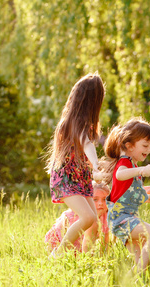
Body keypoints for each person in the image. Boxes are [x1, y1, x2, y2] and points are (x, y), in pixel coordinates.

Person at [46, 73, 106, 256]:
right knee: (87, 217)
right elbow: (86, 144)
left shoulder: (85, 124)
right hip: (66, 179)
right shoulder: (72, 123)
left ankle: (88, 258)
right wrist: (96, 165)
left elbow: (85, 151)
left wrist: (95, 169)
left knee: (93, 220)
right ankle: (57, 255)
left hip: (80, 179)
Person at [102, 118, 150, 272]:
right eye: (145, 145)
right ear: (129, 146)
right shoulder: (125, 162)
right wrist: (143, 170)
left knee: (142, 264)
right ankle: (134, 277)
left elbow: (149, 197)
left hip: (128, 219)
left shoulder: (134, 166)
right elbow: (119, 175)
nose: (149, 149)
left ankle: (131, 284)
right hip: (120, 219)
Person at [45, 182, 111, 253]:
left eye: (104, 199)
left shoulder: (106, 216)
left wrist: (104, 259)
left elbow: (105, 243)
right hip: (59, 241)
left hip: (78, 245)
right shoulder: (83, 215)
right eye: (95, 199)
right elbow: (87, 246)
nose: (100, 203)